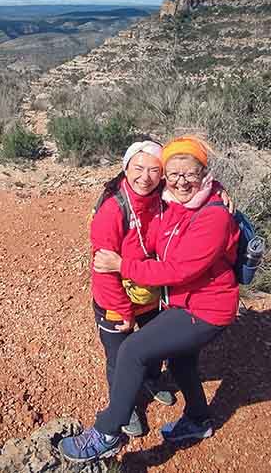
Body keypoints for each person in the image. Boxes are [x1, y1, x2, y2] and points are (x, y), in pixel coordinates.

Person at [60, 135, 240, 463]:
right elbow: (107, 265)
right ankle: (198, 420)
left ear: (205, 175)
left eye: (191, 175)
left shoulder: (211, 214)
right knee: (181, 361)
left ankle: (108, 433)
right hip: (179, 301)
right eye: (174, 174)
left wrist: (121, 264)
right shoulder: (169, 199)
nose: (182, 182)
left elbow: (178, 270)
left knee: (133, 350)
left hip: (203, 308)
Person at [89, 140, 177, 439]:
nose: (145, 177)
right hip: (116, 300)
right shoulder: (113, 209)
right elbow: (102, 270)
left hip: (151, 294)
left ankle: (152, 380)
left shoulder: (164, 199)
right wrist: (124, 310)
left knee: (154, 348)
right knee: (120, 357)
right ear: (125, 168)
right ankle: (122, 407)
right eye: (138, 168)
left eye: (155, 170)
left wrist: (218, 189)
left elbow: (195, 184)